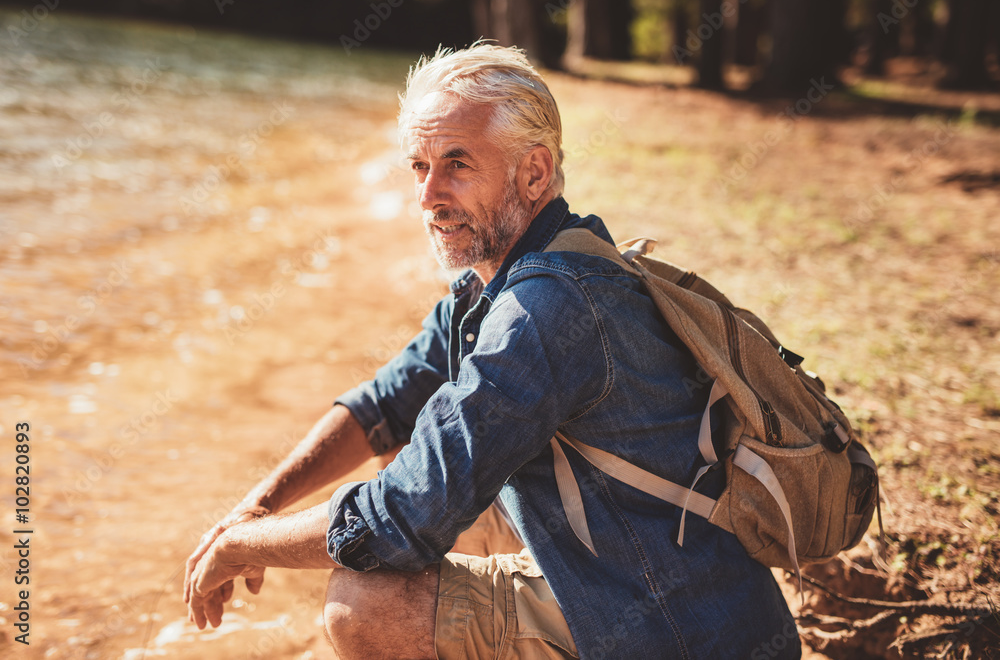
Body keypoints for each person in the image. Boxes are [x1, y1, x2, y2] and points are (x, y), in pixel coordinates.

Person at [184, 42, 800, 659]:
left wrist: (243, 547)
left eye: (457, 164)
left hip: (672, 635)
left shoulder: (547, 309)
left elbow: (399, 516)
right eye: (419, 166)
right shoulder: (526, 268)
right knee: (411, 455)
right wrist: (256, 508)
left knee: (364, 602)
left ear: (533, 172)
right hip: (671, 590)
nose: (428, 197)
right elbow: (385, 405)